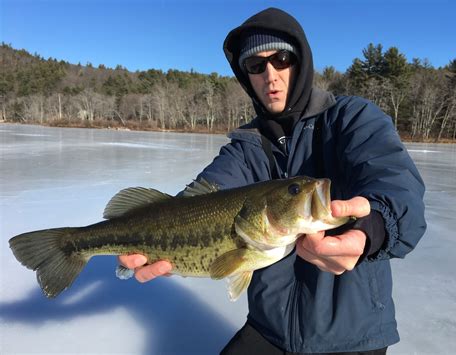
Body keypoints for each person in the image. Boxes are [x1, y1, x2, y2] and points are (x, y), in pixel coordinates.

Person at [119, 7, 426, 355]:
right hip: (269, 330)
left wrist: (372, 227)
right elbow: (194, 205)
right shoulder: (245, 149)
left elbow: (395, 182)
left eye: (281, 58)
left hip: (352, 336)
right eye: (255, 65)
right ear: (245, 75)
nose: (270, 75)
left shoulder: (351, 119)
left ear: (301, 61)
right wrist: (155, 241)